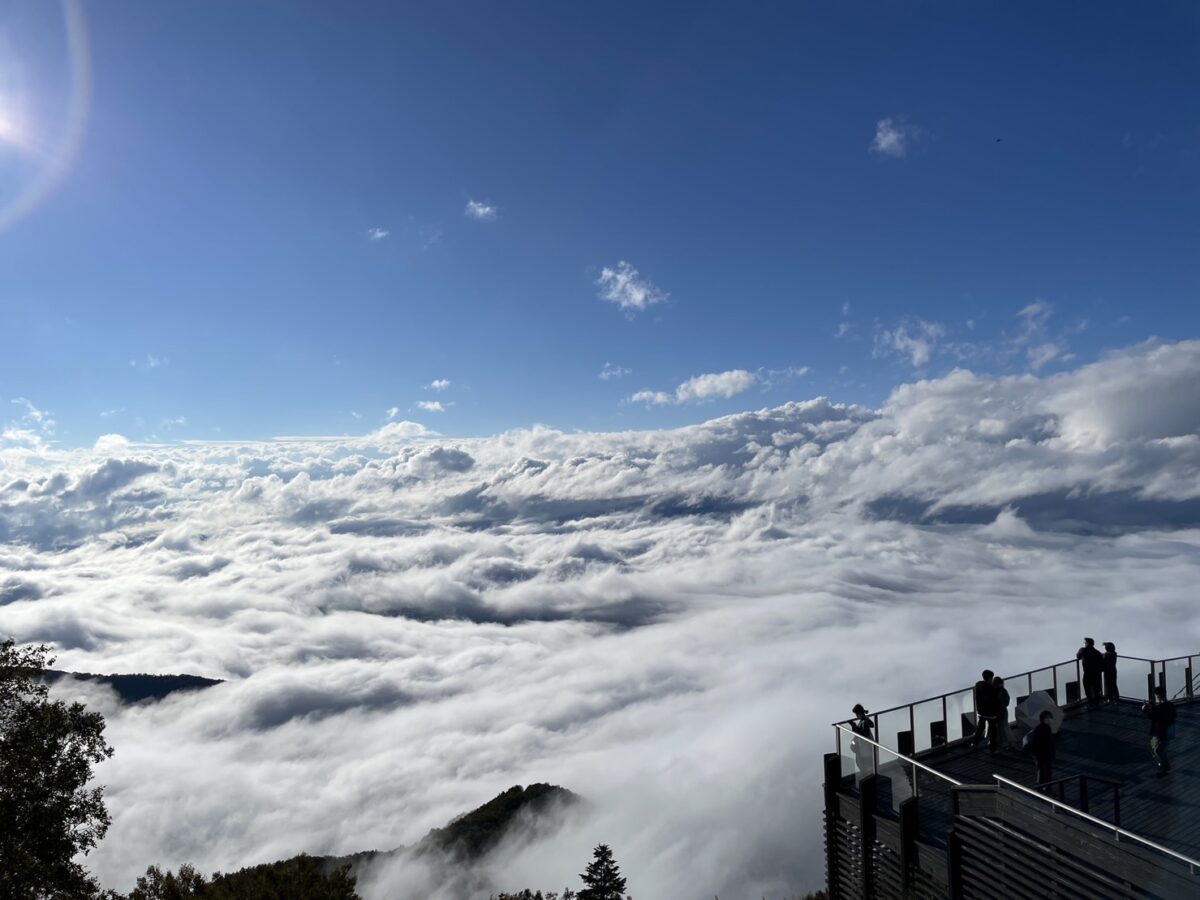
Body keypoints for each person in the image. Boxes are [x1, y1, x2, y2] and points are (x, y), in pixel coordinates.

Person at [1144, 687, 1177, 775]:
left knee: (1158, 749)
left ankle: (1165, 765)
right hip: (1169, 730)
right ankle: (1164, 764)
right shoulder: (1170, 705)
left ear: (1158, 696)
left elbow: (1151, 716)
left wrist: (1146, 709)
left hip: (1160, 732)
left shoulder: (1159, 708)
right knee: (1160, 747)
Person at [1027, 710, 1057, 786]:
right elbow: (1037, 744)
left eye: (1050, 717)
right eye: (1047, 717)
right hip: (1041, 755)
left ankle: (1046, 788)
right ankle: (1041, 788)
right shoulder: (1040, 730)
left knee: (1047, 772)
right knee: (1043, 772)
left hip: (1046, 754)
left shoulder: (1047, 728)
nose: (1049, 719)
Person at [973, 670, 998, 751]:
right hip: (991, 713)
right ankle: (993, 749)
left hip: (981, 712)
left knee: (980, 727)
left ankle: (975, 743)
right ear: (990, 678)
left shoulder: (978, 685)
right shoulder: (991, 688)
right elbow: (994, 701)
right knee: (992, 731)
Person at [849, 703, 875, 782]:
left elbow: (863, 734)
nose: (856, 716)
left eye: (856, 714)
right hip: (867, 749)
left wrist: (854, 726)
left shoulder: (864, 722)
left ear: (859, 713)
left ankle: (866, 782)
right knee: (867, 767)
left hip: (865, 749)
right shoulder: (865, 720)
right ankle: (867, 781)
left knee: (864, 767)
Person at [1077, 637, 1104, 708]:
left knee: (1087, 688)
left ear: (1087, 643)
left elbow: (1078, 656)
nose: (1084, 644)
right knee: (1096, 689)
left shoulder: (1083, 650)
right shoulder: (1097, 652)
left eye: (1085, 643)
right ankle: (1097, 703)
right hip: (1096, 673)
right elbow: (1101, 661)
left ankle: (1091, 703)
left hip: (1087, 673)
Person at [992, 676, 1012, 749]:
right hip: (1003, 711)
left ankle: (1003, 743)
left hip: (998, 712)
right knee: (1004, 727)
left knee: (1000, 728)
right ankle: (1008, 743)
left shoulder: (994, 691)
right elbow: (1007, 702)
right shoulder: (1003, 690)